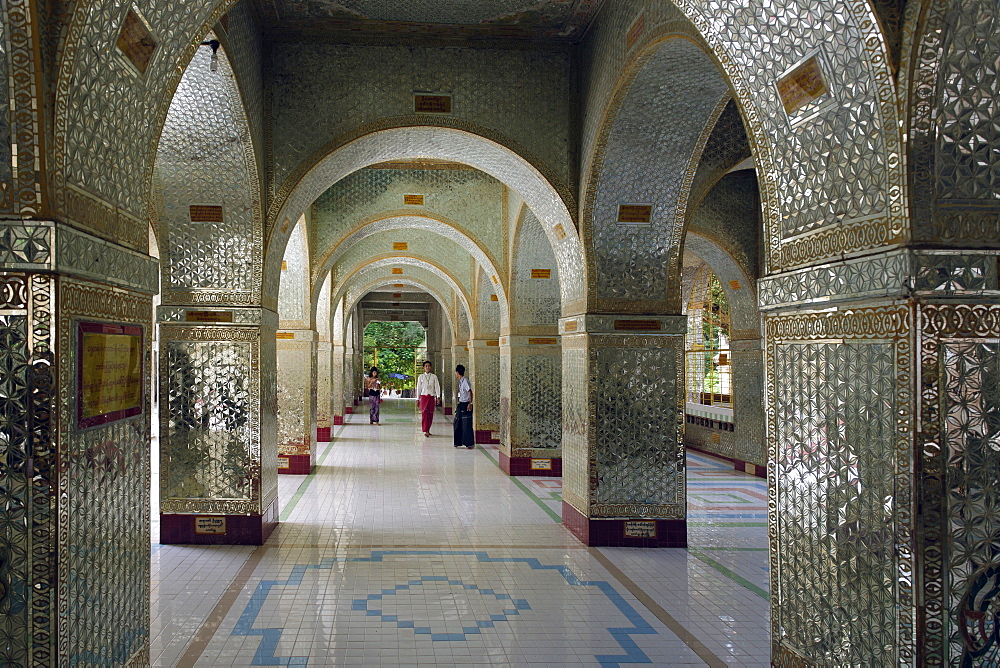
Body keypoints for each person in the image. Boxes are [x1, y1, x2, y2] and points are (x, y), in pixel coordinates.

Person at [415, 360, 441, 437]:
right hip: (423, 397)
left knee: (430, 414)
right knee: (424, 414)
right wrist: (417, 399)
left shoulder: (434, 376)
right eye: (426, 366)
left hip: (431, 397)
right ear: (424, 367)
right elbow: (419, 388)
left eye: (429, 366)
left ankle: (428, 430)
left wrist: (438, 397)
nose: (427, 367)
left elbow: (437, 387)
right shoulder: (421, 377)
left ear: (431, 367)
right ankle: (425, 430)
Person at [453, 364, 475, 449]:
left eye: (455, 372)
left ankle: (469, 444)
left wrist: (470, 403)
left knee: (466, 425)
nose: (455, 374)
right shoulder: (461, 381)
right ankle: (458, 442)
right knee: (457, 423)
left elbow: (470, 392)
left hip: (466, 404)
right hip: (461, 404)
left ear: (457, 372)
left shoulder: (465, 381)